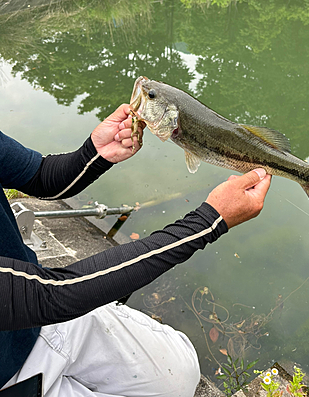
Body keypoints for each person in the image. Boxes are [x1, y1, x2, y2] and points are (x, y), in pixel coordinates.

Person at [0, 103, 271, 397]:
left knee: (181, 373)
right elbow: (49, 296)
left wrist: (94, 154)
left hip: (41, 324)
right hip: (13, 362)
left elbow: (40, 176)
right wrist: (210, 221)